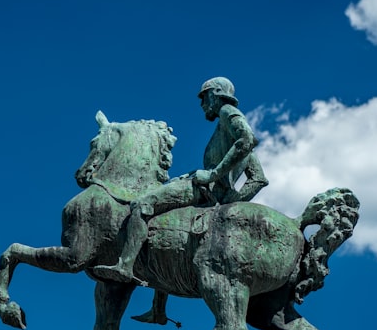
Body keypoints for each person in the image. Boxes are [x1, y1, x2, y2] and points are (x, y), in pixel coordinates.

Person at [94, 77, 268, 299]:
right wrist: (231, 199)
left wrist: (214, 176)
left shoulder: (227, 112)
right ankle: (158, 308)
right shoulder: (229, 133)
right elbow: (259, 179)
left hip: (205, 189)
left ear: (215, 93)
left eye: (204, 97)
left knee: (142, 204)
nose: (202, 104)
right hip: (212, 192)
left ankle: (125, 266)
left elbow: (246, 138)